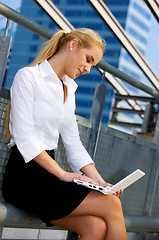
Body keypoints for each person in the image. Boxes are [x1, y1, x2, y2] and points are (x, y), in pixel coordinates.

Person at [2, 28, 127, 240]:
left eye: (92, 65)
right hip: (24, 177)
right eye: (88, 60)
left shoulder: (67, 89)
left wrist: (102, 182)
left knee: (95, 228)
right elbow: (24, 137)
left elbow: (73, 144)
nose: (88, 69)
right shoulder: (28, 76)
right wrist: (62, 174)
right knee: (112, 205)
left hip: (49, 177)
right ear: (73, 45)